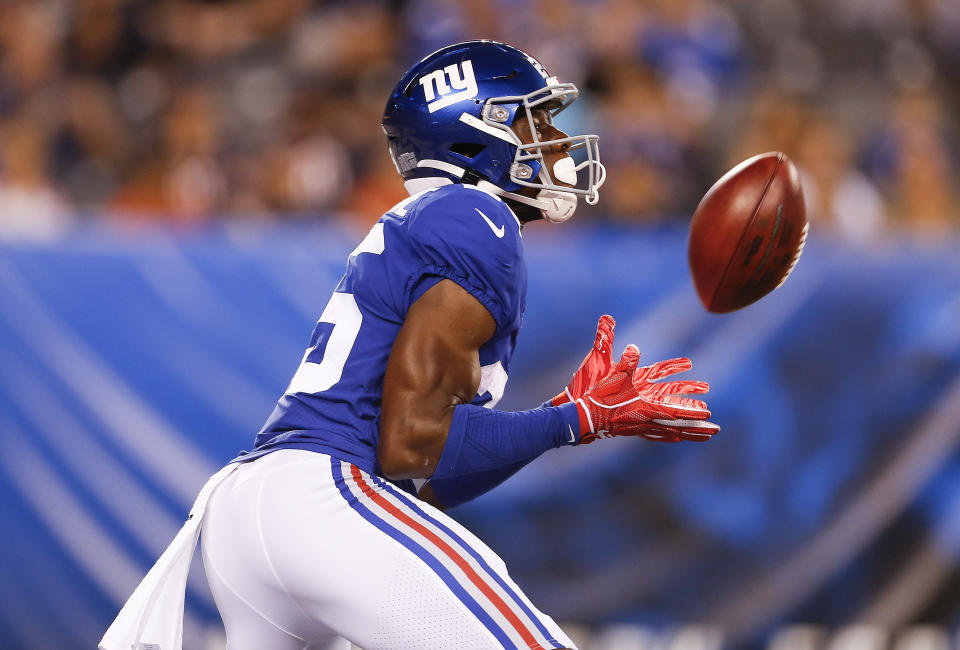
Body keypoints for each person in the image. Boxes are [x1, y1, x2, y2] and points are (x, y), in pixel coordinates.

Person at [101, 40, 719, 650]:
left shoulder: (434, 221)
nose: (555, 143)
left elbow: (426, 480)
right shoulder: (476, 217)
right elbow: (411, 443)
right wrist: (574, 421)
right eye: (534, 123)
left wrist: (565, 419)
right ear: (478, 136)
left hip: (256, 512)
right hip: (324, 501)